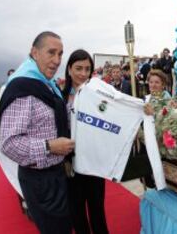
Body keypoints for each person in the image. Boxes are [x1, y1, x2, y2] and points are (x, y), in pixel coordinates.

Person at [0, 31, 74, 234]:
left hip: (56, 174)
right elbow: (8, 143)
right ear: (34, 52)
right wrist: (50, 146)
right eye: (51, 53)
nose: (57, 60)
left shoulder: (47, 84)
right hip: (40, 180)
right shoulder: (24, 88)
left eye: (60, 54)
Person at [62, 49, 109, 234]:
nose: (83, 73)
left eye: (87, 69)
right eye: (78, 68)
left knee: (97, 209)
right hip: (71, 164)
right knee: (77, 211)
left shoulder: (99, 95)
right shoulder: (61, 97)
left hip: (95, 162)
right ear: (69, 69)